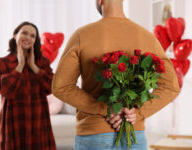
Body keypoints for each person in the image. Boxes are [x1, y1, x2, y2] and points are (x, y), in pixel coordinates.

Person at [52, 0, 180, 149]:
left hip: (94, 134)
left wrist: (103, 108)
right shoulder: (146, 36)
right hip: (134, 134)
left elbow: (61, 86)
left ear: (100, 1)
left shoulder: (82, 35)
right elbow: (171, 86)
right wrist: (137, 113)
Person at [0, 22, 56, 150]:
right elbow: (5, 90)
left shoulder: (42, 62)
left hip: (38, 118)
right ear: (15, 35)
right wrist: (20, 66)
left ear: (35, 41)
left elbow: (52, 87)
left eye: (32, 36)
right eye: (24, 33)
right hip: (14, 119)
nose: (28, 37)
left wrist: (34, 67)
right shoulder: (2, 63)